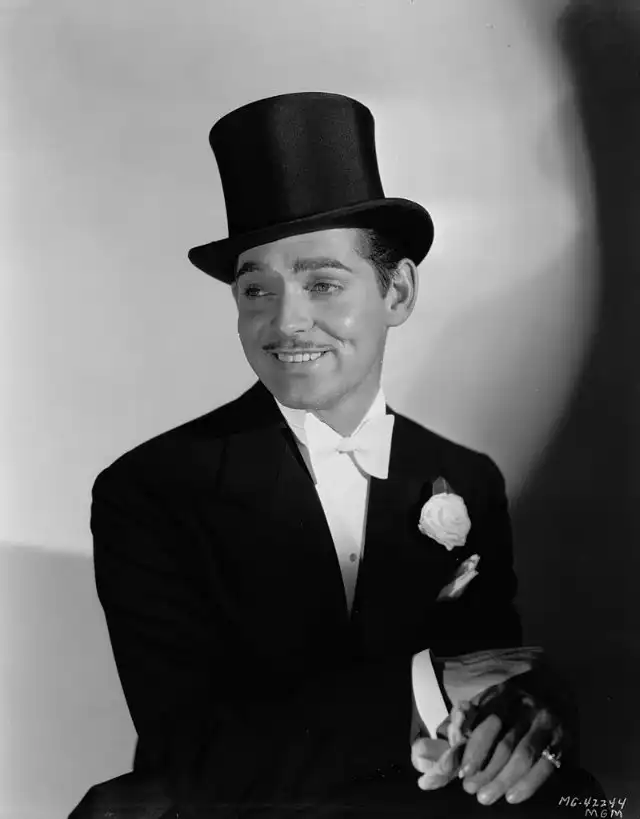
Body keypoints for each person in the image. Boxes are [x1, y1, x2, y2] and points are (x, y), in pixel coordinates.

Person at [75, 93, 601, 818]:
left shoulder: (468, 480)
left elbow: (493, 684)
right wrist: (429, 686)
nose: (285, 320)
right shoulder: (150, 488)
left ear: (398, 291)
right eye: (256, 289)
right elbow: (192, 756)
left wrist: (518, 724)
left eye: (322, 283)